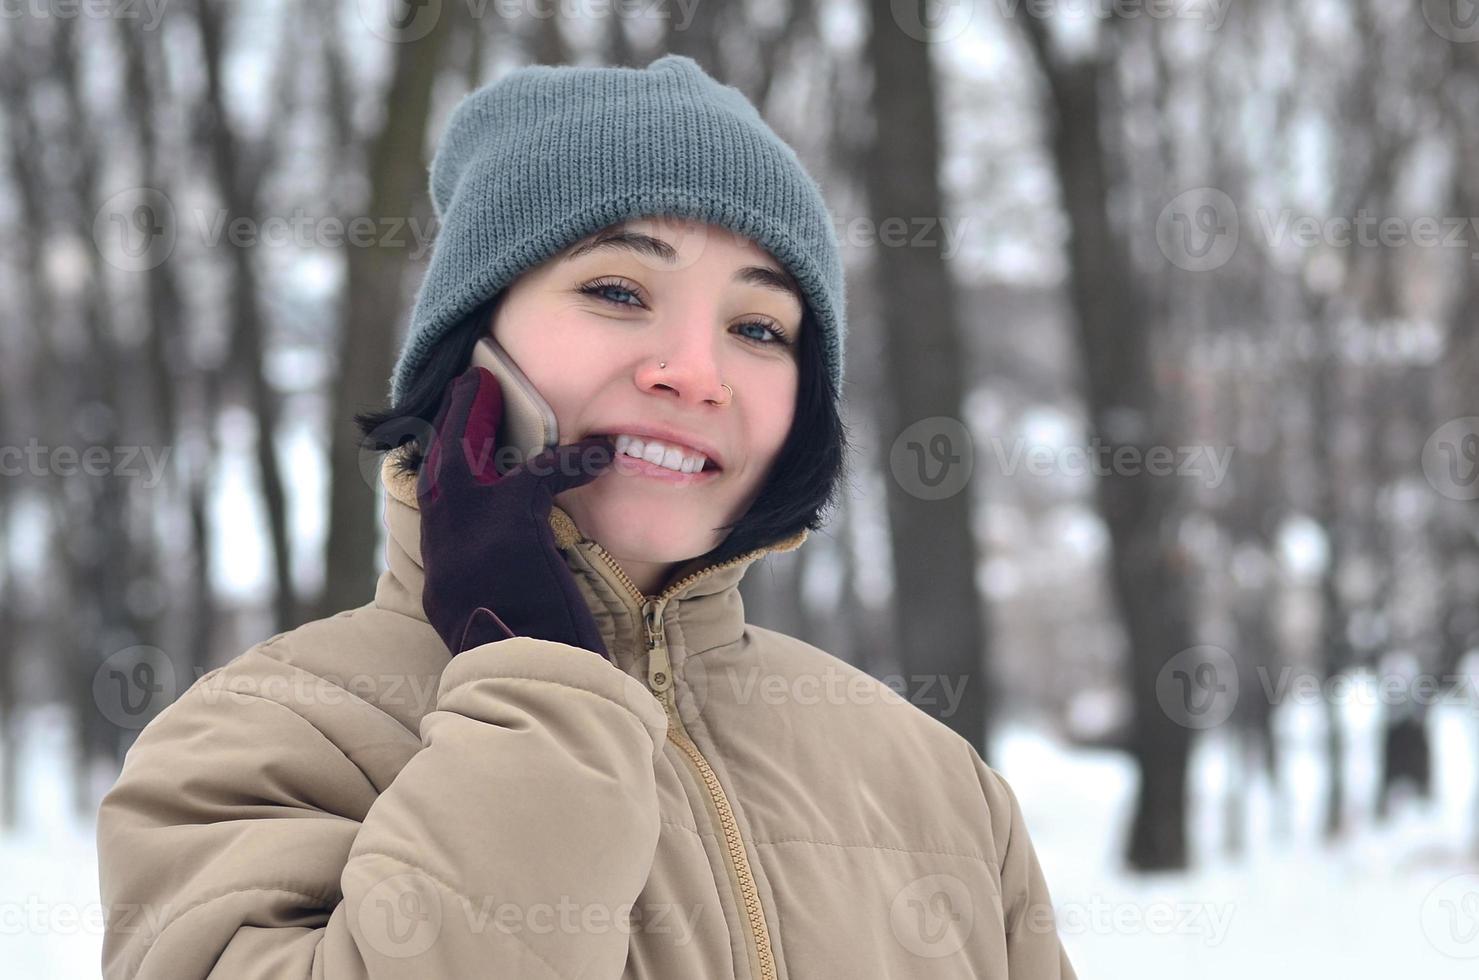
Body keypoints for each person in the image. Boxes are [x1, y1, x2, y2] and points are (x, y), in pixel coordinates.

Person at [96, 54, 1077, 979]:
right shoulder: (257, 740)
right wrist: (538, 690)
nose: (695, 373)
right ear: (471, 348)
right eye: (617, 289)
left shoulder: (940, 784)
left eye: (757, 327)